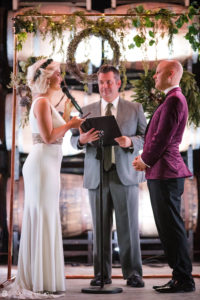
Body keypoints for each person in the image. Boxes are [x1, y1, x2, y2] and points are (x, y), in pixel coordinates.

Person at [1, 59, 83, 299]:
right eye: (58, 74)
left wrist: (67, 117)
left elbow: (54, 135)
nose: (61, 78)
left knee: (46, 216)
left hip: (48, 165)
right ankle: (39, 278)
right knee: (43, 216)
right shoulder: (42, 101)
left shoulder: (46, 102)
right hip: (41, 166)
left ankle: (42, 276)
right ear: (46, 77)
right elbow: (48, 137)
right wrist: (70, 123)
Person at [71, 65, 147, 287]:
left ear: (118, 83)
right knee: (100, 228)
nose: (104, 86)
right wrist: (82, 140)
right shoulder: (87, 109)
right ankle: (101, 275)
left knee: (129, 228)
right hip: (97, 175)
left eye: (108, 82)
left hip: (125, 175)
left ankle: (133, 274)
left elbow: (145, 137)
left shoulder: (134, 108)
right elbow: (73, 140)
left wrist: (131, 141)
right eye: (101, 83)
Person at [132, 60, 195, 293]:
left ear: (170, 74)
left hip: (166, 171)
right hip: (163, 171)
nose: (154, 77)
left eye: (158, 73)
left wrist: (144, 160)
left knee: (171, 227)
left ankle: (184, 279)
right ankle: (179, 275)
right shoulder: (171, 100)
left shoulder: (174, 101)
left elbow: (162, 138)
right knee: (168, 227)